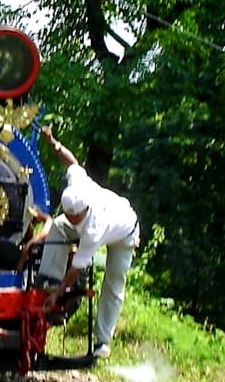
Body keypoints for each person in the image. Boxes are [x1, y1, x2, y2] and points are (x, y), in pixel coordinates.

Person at [37, 125, 139, 359]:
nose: (71, 219)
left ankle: (102, 342)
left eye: (74, 217)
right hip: (105, 225)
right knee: (58, 228)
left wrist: (61, 293)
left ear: (84, 211)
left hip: (124, 232)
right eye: (69, 214)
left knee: (113, 285)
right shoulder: (77, 187)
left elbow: (76, 268)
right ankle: (47, 282)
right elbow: (71, 162)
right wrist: (54, 143)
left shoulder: (94, 226)